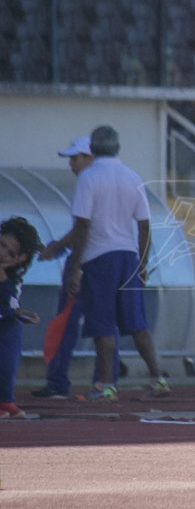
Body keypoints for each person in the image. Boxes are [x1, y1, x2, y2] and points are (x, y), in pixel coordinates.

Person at [64, 125, 169, 402]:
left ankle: (106, 385)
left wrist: (75, 266)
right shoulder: (132, 176)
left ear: (93, 150)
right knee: (137, 323)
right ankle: (157, 378)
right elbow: (145, 226)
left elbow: (83, 225)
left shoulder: (88, 178)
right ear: (118, 147)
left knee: (103, 325)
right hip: (128, 256)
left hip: (99, 257)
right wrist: (143, 263)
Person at [34, 136, 119, 399]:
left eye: (75, 158)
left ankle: (60, 382)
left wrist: (57, 249)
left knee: (68, 321)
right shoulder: (112, 183)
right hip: (105, 262)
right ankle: (105, 382)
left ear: (90, 158)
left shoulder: (89, 182)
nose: (71, 164)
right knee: (104, 324)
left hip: (86, 263)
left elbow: (83, 228)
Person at [1, 216, 42, 419]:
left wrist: (20, 313)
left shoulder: (12, 279)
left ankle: (5, 399)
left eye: (11, 253)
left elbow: (11, 304)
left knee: (12, 330)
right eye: (1, 245)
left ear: (20, 259)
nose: (2, 254)